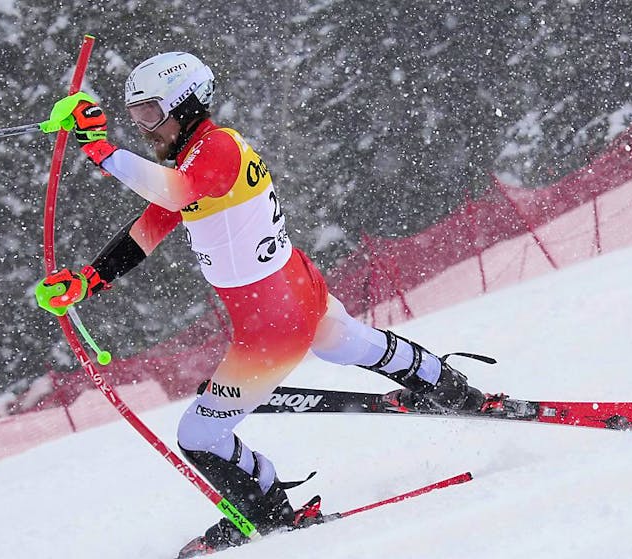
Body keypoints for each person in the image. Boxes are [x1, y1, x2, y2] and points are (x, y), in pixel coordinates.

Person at [34, 52, 496, 557]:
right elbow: (149, 228)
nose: (145, 129)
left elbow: (177, 193)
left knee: (198, 434)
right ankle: (445, 386)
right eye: (136, 116)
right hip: (294, 289)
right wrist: (89, 279)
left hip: (271, 326)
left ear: (185, 105)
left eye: (151, 113)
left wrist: (101, 149)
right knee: (345, 343)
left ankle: (266, 511)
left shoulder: (216, 150)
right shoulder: (196, 161)